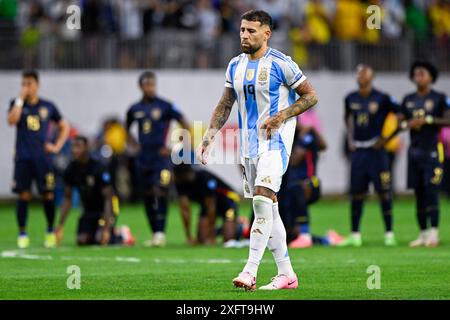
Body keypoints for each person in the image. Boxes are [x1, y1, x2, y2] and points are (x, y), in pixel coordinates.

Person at [197, 10, 318, 291]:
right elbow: (226, 103)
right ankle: (286, 275)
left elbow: (311, 95)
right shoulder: (234, 66)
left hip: (275, 144)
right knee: (269, 209)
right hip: (248, 147)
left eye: (251, 31)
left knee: (262, 201)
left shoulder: (281, 63)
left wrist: (283, 115)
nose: (244, 35)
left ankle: (249, 271)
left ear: (267, 33)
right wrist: (208, 138)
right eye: (242, 30)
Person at [126, 71, 190, 247]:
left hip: (161, 158)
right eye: (147, 85)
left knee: (160, 190)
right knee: (147, 195)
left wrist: (175, 147)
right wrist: (134, 145)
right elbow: (126, 129)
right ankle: (155, 233)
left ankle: (161, 233)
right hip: (143, 158)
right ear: (141, 86)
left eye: (153, 84)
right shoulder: (135, 109)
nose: (150, 88)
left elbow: (185, 123)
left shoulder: (165, 106)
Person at [7, 70, 69, 249]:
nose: (26, 87)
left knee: (48, 194)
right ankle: (22, 233)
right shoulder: (16, 104)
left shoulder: (48, 106)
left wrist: (56, 146)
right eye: (24, 83)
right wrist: (20, 98)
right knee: (24, 195)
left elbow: (64, 126)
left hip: (43, 159)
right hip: (23, 159)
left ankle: (50, 231)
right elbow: (12, 120)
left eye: (29, 83)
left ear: (37, 85)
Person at [339, 64, 400, 247]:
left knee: (384, 192)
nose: (362, 75)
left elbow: (402, 115)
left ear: (372, 77)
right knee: (357, 193)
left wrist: (386, 138)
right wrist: (350, 139)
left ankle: (389, 233)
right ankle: (355, 234)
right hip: (359, 152)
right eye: (359, 73)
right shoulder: (350, 98)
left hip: (377, 152)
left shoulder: (383, 98)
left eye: (365, 73)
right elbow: (347, 119)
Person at [396, 61, 450, 247]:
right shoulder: (408, 99)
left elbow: (448, 120)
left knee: (431, 191)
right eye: (416, 74)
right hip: (415, 152)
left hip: (433, 151)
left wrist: (427, 120)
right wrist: (406, 124)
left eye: (422, 74)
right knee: (419, 193)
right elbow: (399, 123)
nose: (419, 77)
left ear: (431, 77)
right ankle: (423, 233)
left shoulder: (439, 98)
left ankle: (434, 233)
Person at [55, 136, 135, 246]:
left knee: (101, 239)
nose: (74, 150)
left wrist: (106, 229)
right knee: (82, 240)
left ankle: (121, 234)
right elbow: (68, 198)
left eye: (78, 147)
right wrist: (60, 226)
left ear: (86, 148)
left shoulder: (98, 168)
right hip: (89, 210)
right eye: (73, 147)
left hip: (108, 208)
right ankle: (100, 231)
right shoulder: (71, 169)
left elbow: (108, 198)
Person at [279, 121, 343, 248]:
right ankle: (328, 240)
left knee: (295, 188)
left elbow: (295, 160)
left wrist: (312, 130)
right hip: (288, 187)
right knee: (289, 235)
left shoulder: (304, 136)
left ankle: (305, 234)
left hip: (309, 183)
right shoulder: (285, 137)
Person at [173, 163, 240, 247]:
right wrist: (189, 236)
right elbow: (185, 210)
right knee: (202, 239)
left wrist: (211, 235)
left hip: (228, 201)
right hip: (207, 204)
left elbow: (211, 207)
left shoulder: (204, 178)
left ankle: (240, 227)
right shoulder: (180, 182)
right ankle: (220, 230)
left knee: (229, 239)